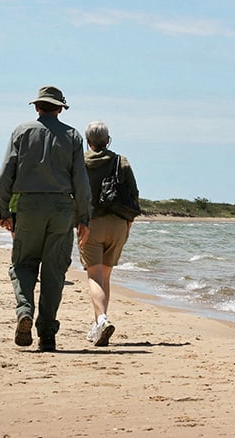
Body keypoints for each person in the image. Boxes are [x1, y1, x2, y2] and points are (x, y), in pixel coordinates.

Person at [0, 86, 91, 352]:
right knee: (54, 271)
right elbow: (81, 180)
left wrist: (2, 210)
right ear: (59, 108)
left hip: (29, 205)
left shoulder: (22, 132)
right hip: (61, 207)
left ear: (37, 107)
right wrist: (85, 217)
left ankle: (24, 310)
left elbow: (6, 173)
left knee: (23, 264)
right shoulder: (72, 135)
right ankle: (47, 333)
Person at [79, 121, 140, 346]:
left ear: (88, 141)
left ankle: (102, 319)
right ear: (108, 140)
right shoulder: (120, 161)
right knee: (105, 276)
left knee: (94, 276)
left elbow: (75, 194)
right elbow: (133, 194)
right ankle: (98, 326)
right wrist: (128, 225)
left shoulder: (80, 162)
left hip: (90, 224)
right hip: (117, 224)